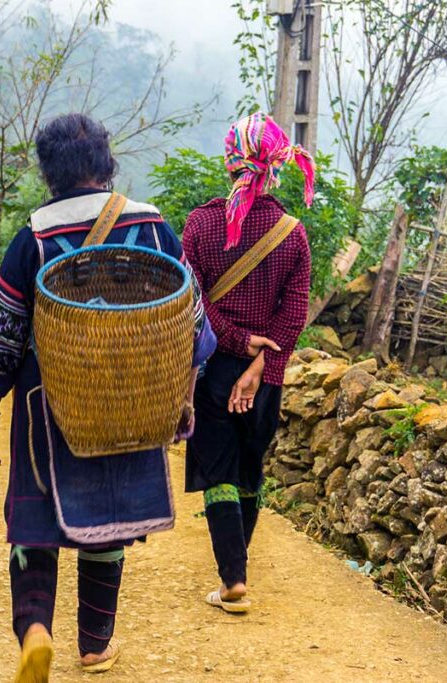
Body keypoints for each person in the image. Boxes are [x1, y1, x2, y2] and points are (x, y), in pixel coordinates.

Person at [0, 113, 216, 681]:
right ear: (106, 164)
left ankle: (35, 631)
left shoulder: (32, 238)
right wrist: (178, 394)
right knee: (109, 517)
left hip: (47, 401)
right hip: (133, 398)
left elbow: (3, 337)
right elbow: (193, 326)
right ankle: (96, 645)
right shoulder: (153, 227)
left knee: (35, 522)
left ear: (48, 172)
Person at [182, 112, 313, 613]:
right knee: (249, 468)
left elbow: (193, 301)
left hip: (214, 367)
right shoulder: (292, 234)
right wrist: (260, 367)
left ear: (230, 160)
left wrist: (236, 343)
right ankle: (238, 567)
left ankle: (233, 580)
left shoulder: (201, 223)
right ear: (275, 166)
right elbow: (294, 311)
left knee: (219, 470)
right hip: (267, 375)